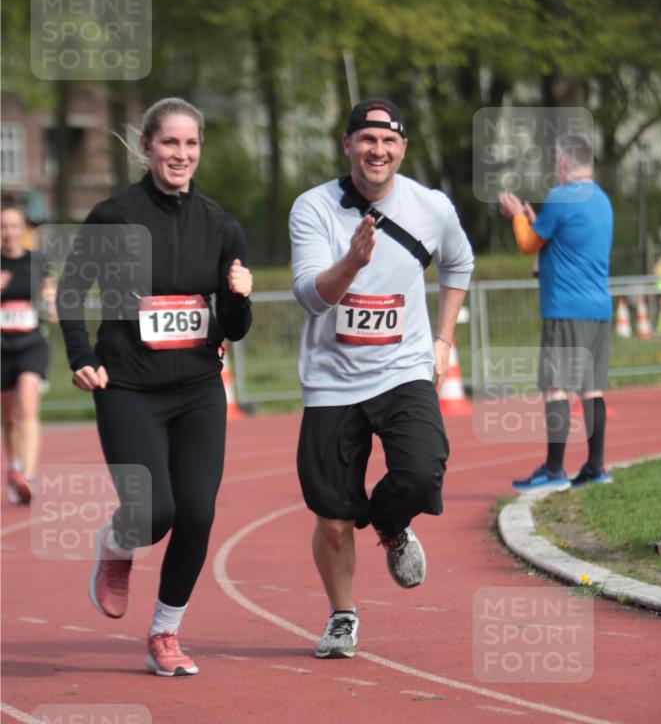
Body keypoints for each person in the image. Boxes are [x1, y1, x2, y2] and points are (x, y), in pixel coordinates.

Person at [57, 97, 252, 677]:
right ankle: (119, 544)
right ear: (146, 147)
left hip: (197, 389)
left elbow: (235, 329)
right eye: (170, 143)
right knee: (154, 511)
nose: (181, 155)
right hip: (128, 388)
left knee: (196, 512)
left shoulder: (220, 224)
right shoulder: (113, 216)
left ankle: (165, 632)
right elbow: (71, 292)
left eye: (191, 145)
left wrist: (237, 298)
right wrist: (81, 356)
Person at [289, 97, 474, 659]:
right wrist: (352, 263)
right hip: (332, 380)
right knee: (334, 517)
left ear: (402, 149)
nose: (378, 150)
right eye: (367, 140)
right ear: (347, 145)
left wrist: (443, 340)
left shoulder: (431, 205)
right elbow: (309, 296)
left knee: (421, 472)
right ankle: (342, 616)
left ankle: (392, 527)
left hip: (403, 370)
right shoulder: (313, 208)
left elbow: (459, 264)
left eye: (389, 141)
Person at [499, 133, 614, 492]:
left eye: (554, 162)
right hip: (598, 308)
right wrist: (536, 220)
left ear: (564, 162)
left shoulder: (562, 196)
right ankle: (595, 468)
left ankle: (553, 470)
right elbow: (564, 242)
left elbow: (527, 244)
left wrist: (517, 216)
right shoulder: (602, 199)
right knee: (592, 389)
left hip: (566, 308)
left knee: (556, 389)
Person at [1, 200, 57, 505]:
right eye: (3, 226)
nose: (8, 232)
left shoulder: (37, 260)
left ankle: (29, 475)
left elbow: (48, 289)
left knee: (26, 408)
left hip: (31, 342)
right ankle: (15, 469)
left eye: (13, 226)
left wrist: (51, 302)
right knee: (9, 419)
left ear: (22, 230)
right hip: (1, 347)